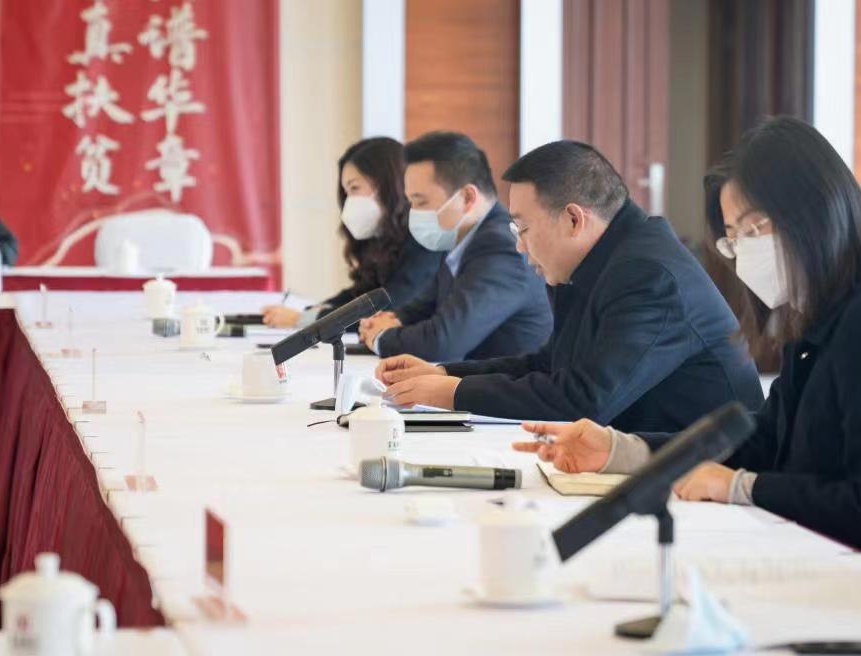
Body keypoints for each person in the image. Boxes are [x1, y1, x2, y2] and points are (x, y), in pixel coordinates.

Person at [515, 116, 861, 559]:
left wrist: (740, 487)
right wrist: (621, 451)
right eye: (733, 238)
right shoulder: (825, 318)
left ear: (814, 209)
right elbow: (765, 439)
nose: (742, 252)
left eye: (752, 229)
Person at [376, 140, 763, 432]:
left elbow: (585, 400)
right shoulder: (597, 258)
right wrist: (445, 374)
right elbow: (551, 363)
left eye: (523, 228)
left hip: (708, 470)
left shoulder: (648, 275)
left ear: (574, 220)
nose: (520, 245)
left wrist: (452, 394)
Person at [356, 131, 552, 362]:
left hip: (504, 382)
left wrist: (380, 337)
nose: (413, 213)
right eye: (411, 202)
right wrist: (393, 319)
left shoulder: (502, 249)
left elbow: (442, 342)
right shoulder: (460, 237)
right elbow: (424, 305)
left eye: (421, 202)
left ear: (467, 197)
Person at [261, 137, 442, 328]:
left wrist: (305, 319)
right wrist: (313, 310)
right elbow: (363, 296)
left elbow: (389, 309)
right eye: (346, 193)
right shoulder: (385, 239)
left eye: (354, 188)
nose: (349, 202)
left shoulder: (426, 239)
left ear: (388, 185)